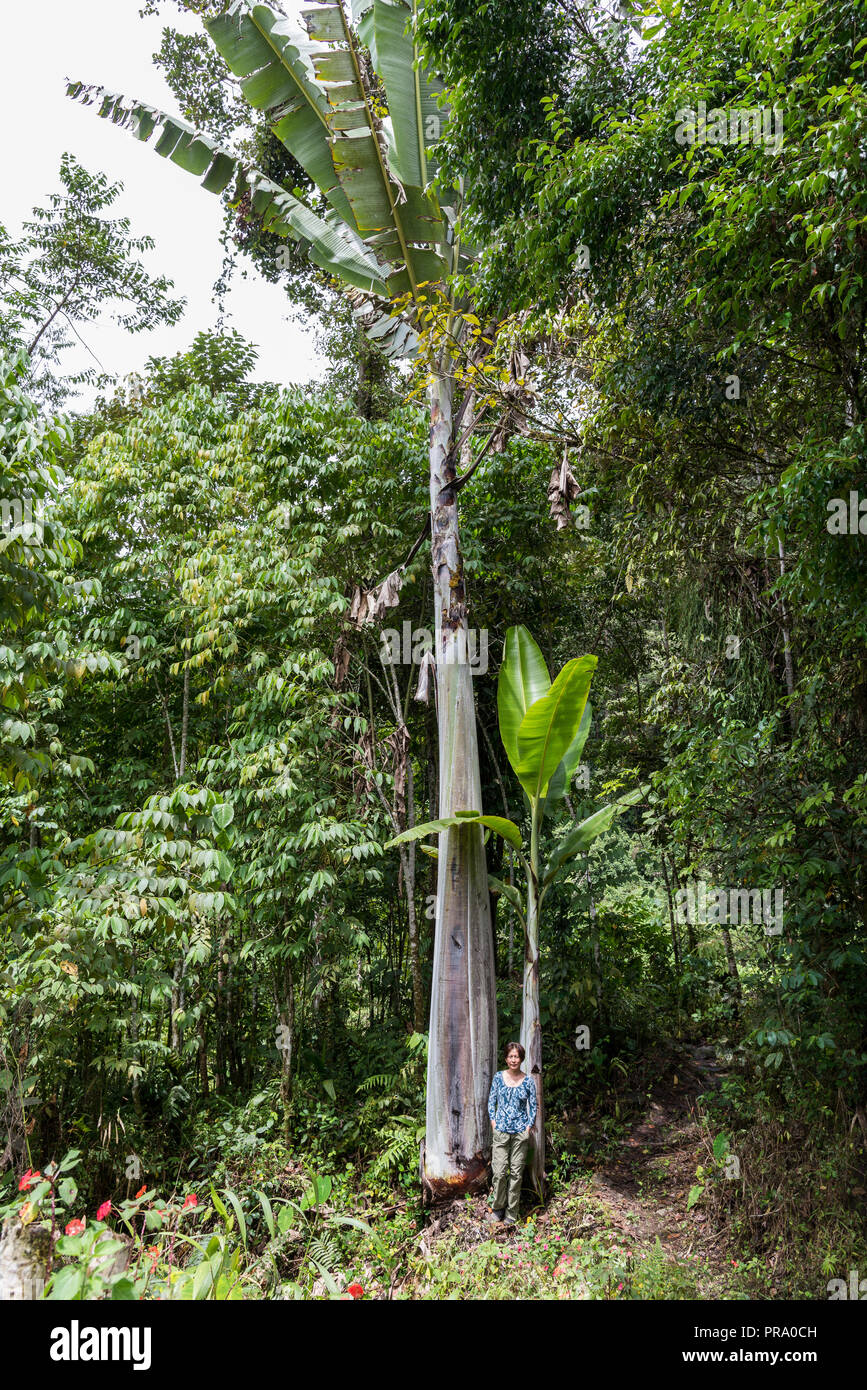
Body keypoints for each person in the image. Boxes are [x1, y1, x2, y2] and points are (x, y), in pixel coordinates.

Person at [485, 1041, 537, 1225]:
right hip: (500, 1132)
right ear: (506, 1058)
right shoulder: (499, 1077)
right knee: (499, 1172)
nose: (513, 1059)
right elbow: (491, 1101)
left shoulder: (528, 1081)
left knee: (516, 1174)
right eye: (510, 1056)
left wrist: (528, 1127)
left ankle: (511, 1213)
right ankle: (498, 1208)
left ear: (521, 1058)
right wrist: (493, 1122)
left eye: (517, 1056)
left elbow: (534, 1106)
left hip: (520, 1134)